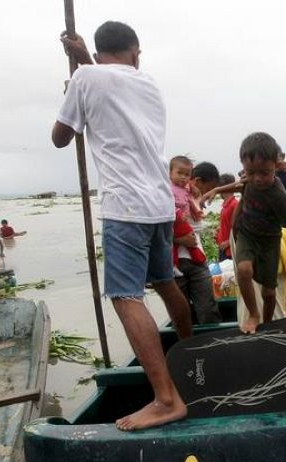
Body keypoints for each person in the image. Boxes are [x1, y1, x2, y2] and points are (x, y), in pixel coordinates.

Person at [52, 21, 191, 430]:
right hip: (159, 206)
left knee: (125, 295)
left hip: (125, 207)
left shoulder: (85, 80)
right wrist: (83, 62)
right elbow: (108, 79)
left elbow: (61, 137)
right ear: (136, 53)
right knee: (166, 283)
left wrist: (70, 91)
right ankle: (190, 352)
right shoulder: (146, 83)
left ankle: (166, 398)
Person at [205, 132, 286, 333]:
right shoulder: (249, 179)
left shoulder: (278, 194)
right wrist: (216, 190)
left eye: (264, 173)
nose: (257, 179)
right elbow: (241, 185)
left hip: (269, 243)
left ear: (277, 165)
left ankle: (266, 323)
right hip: (247, 236)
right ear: (244, 166)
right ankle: (254, 314)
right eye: (251, 172)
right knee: (244, 270)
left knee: (268, 293)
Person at [170, 155, 203, 224]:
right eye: (179, 173)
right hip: (174, 222)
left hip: (185, 220)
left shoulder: (187, 188)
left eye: (187, 175)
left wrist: (194, 188)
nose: (183, 177)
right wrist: (178, 214)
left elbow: (194, 198)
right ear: (170, 173)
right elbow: (168, 205)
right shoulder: (169, 188)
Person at [215, 173, 239, 261]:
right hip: (222, 247)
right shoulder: (225, 205)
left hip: (230, 249)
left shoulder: (235, 204)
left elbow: (240, 228)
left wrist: (228, 242)